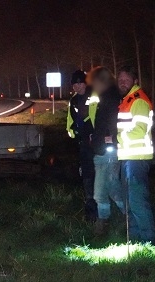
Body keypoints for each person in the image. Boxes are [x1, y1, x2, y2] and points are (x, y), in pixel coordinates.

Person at [117, 66, 155, 243]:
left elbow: (139, 130)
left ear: (135, 81)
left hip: (137, 159)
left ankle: (148, 240)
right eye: (120, 79)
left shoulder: (138, 100)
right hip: (128, 157)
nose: (122, 82)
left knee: (137, 201)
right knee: (129, 201)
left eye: (126, 79)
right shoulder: (127, 100)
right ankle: (134, 239)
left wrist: (116, 138)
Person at [89, 67, 124, 236]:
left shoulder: (111, 97)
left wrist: (109, 139)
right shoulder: (107, 97)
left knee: (106, 191)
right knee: (108, 190)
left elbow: (114, 122)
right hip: (102, 151)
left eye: (94, 82)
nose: (93, 86)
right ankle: (110, 222)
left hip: (107, 152)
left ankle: (113, 221)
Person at [66, 70, 98, 221]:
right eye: (74, 84)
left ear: (85, 83)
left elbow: (100, 116)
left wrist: (96, 133)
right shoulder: (73, 100)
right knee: (86, 174)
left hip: (97, 142)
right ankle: (90, 208)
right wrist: (74, 132)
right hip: (83, 142)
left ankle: (101, 208)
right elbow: (70, 120)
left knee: (99, 174)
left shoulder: (96, 95)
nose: (77, 86)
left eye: (80, 83)